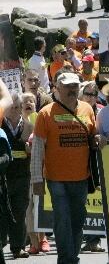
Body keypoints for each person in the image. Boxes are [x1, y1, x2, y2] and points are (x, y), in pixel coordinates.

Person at [30, 72, 95, 264]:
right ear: (57, 89)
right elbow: (38, 148)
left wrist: (99, 140)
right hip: (56, 178)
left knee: (78, 219)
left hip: (82, 177)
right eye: (67, 86)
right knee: (62, 219)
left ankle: (72, 256)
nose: (72, 89)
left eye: (75, 85)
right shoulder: (45, 113)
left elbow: (93, 138)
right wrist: (36, 179)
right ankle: (67, 260)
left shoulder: (87, 109)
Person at [2, 92, 33, 258]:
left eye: (17, 107)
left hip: (22, 177)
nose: (14, 111)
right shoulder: (0, 126)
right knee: (3, 213)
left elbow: (37, 151)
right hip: (3, 177)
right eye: (11, 107)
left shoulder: (29, 127)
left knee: (20, 212)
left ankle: (18, 246)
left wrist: (31, 150)